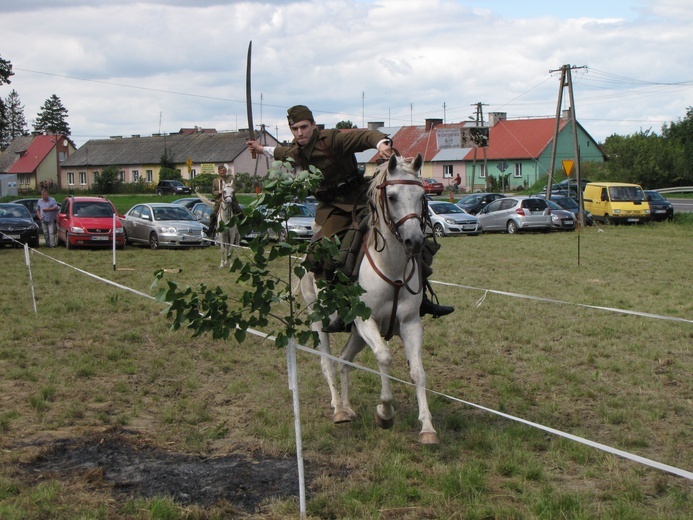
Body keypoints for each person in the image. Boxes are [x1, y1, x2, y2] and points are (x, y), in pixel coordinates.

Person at [247, 105, 454, 331]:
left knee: (411, 237)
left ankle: (423, 298)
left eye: (304, 127)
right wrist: (259, 148)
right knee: (323, 251)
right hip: (333, 208)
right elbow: (278, 152)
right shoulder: (296, 151)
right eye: (295, 129)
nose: (300, 133)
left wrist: (382, 144)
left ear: (313, 125)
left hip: (362, 197)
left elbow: (364, 136)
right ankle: (338, 307)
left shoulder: (332, 140)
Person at [207, 164, 242, 238]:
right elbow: (213, 192)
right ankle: (210, 230)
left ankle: (243, 227)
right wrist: (219, 192)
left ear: (226, 171)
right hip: (220, 200)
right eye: (221, 170)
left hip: (231, 199)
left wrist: (228, 190)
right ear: (219, 171)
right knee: (213, 214)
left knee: (239, 211)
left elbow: (234, 188)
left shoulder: (230, 178)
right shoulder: (215, 180)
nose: (223, 172)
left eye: (224, 170)